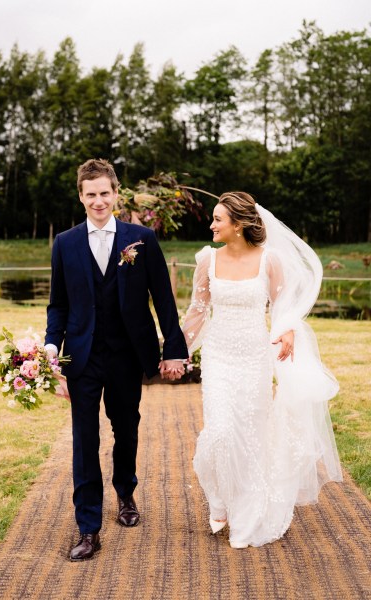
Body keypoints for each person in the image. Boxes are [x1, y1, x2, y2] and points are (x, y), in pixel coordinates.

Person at [45, 158, 188, 561]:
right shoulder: (65, 243)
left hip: (127, 354)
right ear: (81, 196)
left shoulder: (142, 239)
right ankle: (88, 526)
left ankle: (125, 493)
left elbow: (163, 298)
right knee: (84, 440)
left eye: (105, 193)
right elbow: (58, 305)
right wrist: (52, 347)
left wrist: (173, 348)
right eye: (90, 194)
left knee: (126, 430)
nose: (98, 201)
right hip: (82, 357)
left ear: (115, 193)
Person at [183, 192, 342, 549]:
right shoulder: (207, 260)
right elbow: (197, 310)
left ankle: (245, 511)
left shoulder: (269, 260)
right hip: (219, 356)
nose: (211, 225)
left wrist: (286, 330)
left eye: (218, 220)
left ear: (238, 225)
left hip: (255, 358)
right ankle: (220, 499)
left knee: (249, 435)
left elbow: (283, 307)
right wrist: (176, 351)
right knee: (220, 432)